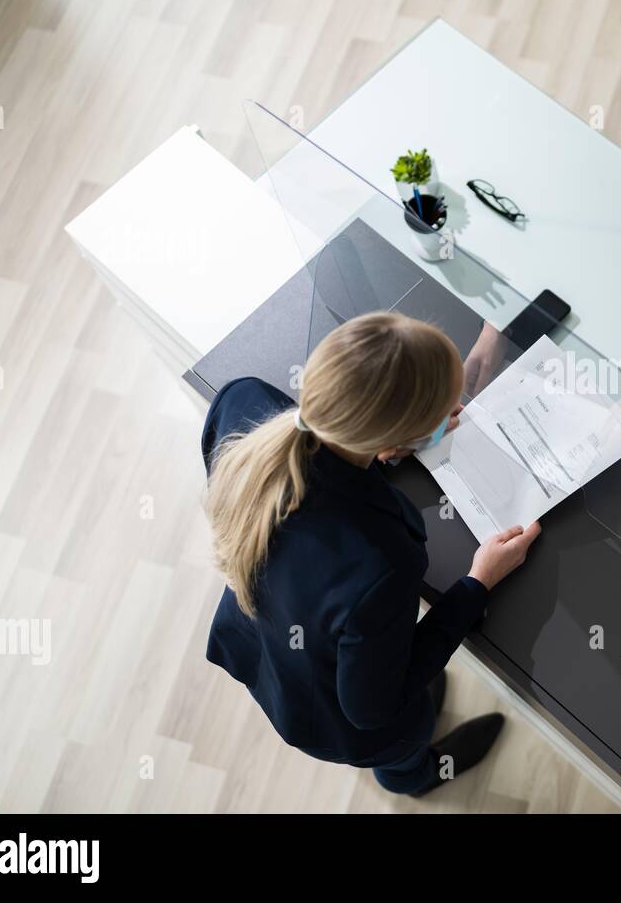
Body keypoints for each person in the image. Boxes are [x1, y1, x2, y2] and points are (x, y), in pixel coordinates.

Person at [201, 311, 541, 797]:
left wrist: (385, 447)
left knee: (397, 666)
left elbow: (322, 482)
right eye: (441, 419)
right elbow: (373, 709)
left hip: (260, 638)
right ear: (392, 443)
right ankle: (414, 776)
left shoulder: (242, 399)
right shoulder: (378, 563)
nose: (451, 418)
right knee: (406, 731)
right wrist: (476, 584)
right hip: (338, 714)